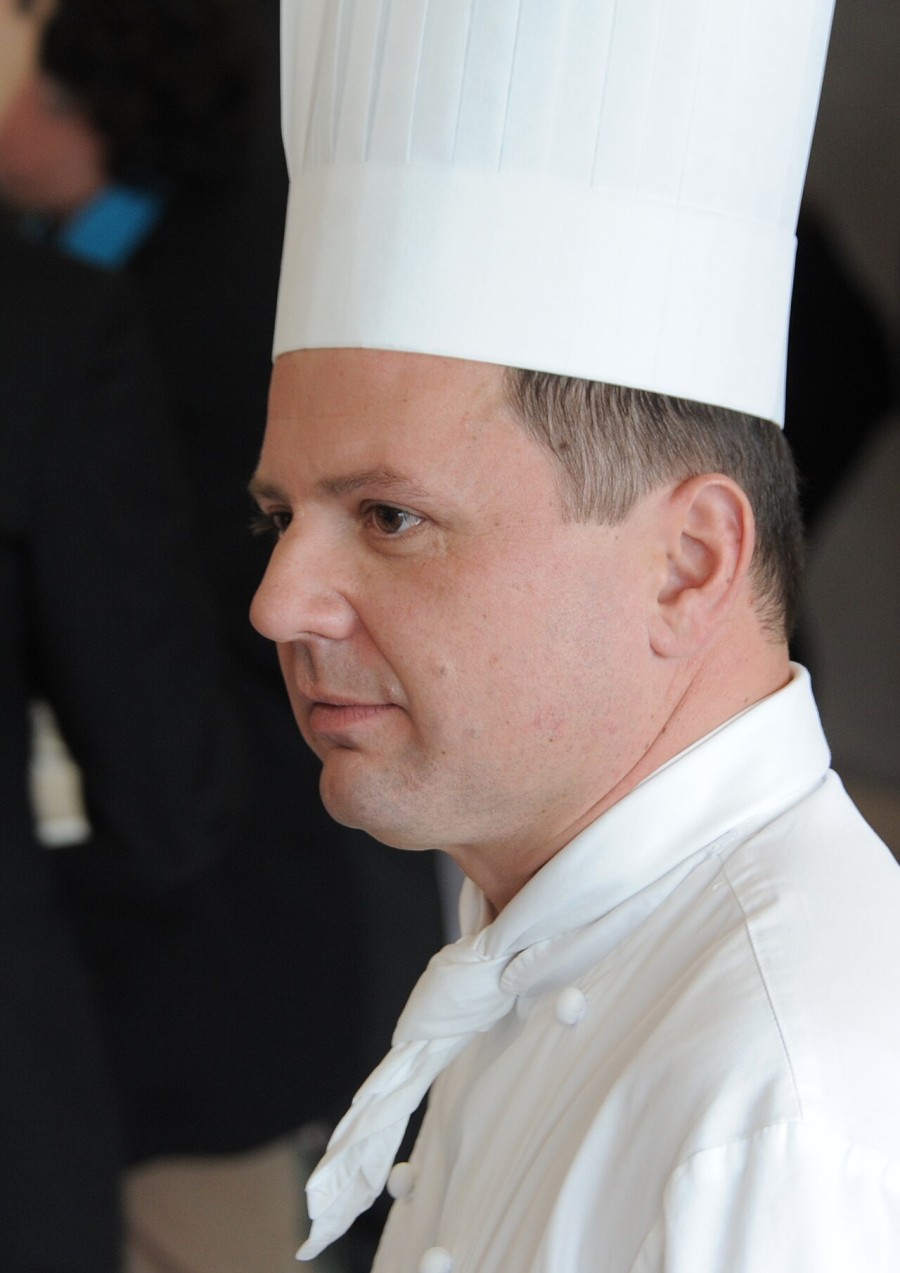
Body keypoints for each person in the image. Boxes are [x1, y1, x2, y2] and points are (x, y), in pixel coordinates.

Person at [247, 2, 900, 1270]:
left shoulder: (780, 1109)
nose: (279, 601)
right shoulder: (558, 926)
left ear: (687, 563)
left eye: (389, 516)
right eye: (279, 516)